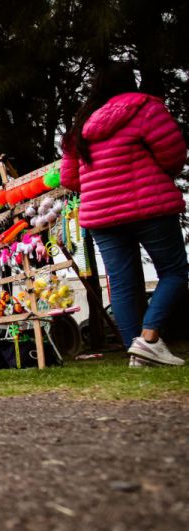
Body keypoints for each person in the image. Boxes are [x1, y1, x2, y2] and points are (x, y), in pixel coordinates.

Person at [61, 63, 187, 367]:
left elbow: (70, 179)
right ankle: (148, 339)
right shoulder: (146, 109)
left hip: (102, 216)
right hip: (150, 206)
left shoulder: (81, 125)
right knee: (175, 271)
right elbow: (173, 154)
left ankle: (139, 355)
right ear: (132, 83)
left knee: (122, 284)